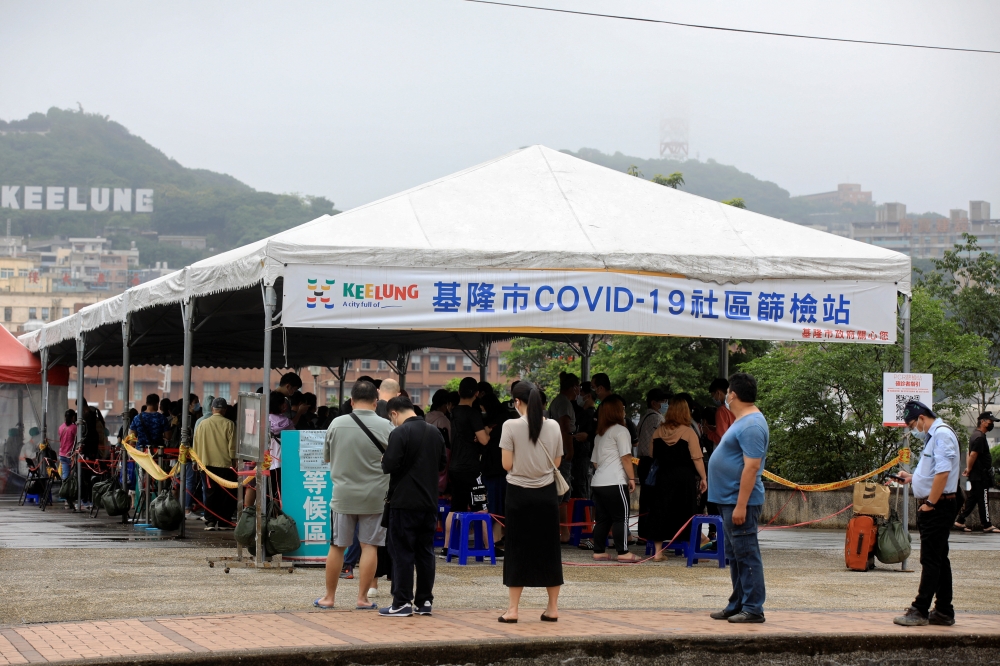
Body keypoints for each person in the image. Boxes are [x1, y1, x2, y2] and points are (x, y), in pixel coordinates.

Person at [315, 380, 393, 611]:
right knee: (370, 546)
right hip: (376, 496)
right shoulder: (387, 426)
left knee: (337, 546)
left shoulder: (336, 424)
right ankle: (362, 598)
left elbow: (327, 457)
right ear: (375, 402)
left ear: (351, 401)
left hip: (343, 495)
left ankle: (329, 597)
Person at [498, 381, 564, 623]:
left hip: (518, 494)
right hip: (546, 494)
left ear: (517, 402)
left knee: (517, 548)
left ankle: (513, 610)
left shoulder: (511, 425)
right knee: (549, 548)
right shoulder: (554, 426)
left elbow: (506, 464)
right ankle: (553, 608)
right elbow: (557, 462)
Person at [707, 372, 769, 624]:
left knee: (746, 553)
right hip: (729, 499)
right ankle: (738, 603)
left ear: (732, 394)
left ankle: (754, 607)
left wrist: (741, 504)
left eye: (728, 392)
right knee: (735, 555)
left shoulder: (752, 424)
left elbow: (752, 467)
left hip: (738, 500)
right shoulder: (741, 420)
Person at [893, 400, 961, 627]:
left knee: (930, 559)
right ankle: (943, 610)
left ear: (922, 418)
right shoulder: (935, 437)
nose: (914, 430)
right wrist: (913, 478)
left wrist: (930, 503)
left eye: (913, 425)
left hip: (938, 506)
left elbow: (943, 473)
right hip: (937, 504)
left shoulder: (940, 435)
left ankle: (920, 609)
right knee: (940, 558)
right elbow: (934, 473)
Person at [379, 396, 447, 617]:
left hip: (403, 503)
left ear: (394, 413)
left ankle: (401, 602)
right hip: (429, 502)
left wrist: (384, 459)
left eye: (391, 418)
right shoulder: (435, 433)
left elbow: (388, 465)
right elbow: (442, 465)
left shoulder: (399, 433)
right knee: (425, 552)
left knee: (402, 552)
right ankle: (425, 602)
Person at [642, 397, 706, 560]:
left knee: (660, 510)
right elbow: (697, 458)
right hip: (684, 478)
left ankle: (657, 552)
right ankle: (692, 550)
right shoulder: (688, 432)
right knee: (686, 510)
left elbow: (651, 454)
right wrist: (704, 478)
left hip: (663, 477)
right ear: (685, 412)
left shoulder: (658, 431)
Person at [590, 395, 638, 562]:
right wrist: (631, 478)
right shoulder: (621, 430)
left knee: (602, 519)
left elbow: (595, 462)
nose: (624, 411)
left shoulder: (599, 435)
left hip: (598, 482)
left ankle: (598, 550)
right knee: (621, 517)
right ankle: (623, 552)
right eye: (622, 409)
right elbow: (626, 457)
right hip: (615, 481)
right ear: (617, 412)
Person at [443, 377, 489, 552]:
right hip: (471, 467)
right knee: (481, 508)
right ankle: (487, 547)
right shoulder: (473, 414)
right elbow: (484, 441)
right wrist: (486, 433)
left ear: (459, 392)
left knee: (456, 508)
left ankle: (447, 547)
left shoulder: (453, 413)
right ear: (476, 394)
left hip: (455, 467)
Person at [548, 372, 585, 542]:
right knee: (561, 490)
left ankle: (564, 532)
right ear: (573, 387)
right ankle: (558, 530)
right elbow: (565, 427)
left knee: (563, 492)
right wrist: (569, 449)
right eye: (577, 387)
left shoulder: (561, 401)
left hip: (557, 450)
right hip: (561, 451)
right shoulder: (563, 403)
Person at [193, 397, 237, 530]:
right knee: (226, 493)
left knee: (210, 493)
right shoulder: (229, 424)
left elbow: (196, 444)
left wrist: (195, 461)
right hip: (225, 464)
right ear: (224, 410)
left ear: (212, 409)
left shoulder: (202, 424)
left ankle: (210, 521)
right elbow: (232, 447)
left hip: (206, 465)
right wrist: (234, 460)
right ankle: (224, 522)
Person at [955, 411, 998, 533]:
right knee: (983, 499)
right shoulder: (979, 437)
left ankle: (960, 520)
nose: (992, 424)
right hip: (980, 475)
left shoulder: (975, 435)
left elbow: (970, 453)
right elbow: (973, 454)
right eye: (990, 421)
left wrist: (969, 469)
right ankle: (987, 524)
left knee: (973, 498)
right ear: (983, 421)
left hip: (977, 474)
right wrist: (968, 468)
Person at [268, 391, 295, 502]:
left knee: (267, 487)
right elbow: (294, 438)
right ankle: (277, 513)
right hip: (281, 460)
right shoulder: (286, 422)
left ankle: (267, 512)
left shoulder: (264, 419)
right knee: (280, 489)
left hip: (266, 458)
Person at [425, 388, 453, 494]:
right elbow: (451, 440)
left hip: (426, 454)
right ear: (445, 404)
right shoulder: (444, 420)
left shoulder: (425, 417)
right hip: (441, 456)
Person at [705, 378, 735, 447]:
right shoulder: (738, 406)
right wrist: (714, 429)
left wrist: (708, 432)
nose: (714, 399)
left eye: (713, 396)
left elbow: (721, 438)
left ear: (718, 393)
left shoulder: (722, 411)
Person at [58, 409, 77, 510]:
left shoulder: (61, 427)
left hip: (62, 454)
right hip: (71, 455)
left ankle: (66, 498)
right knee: (74, 478)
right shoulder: (74, 428)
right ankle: (73, 497)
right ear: (73, 417)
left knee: (65, 477)